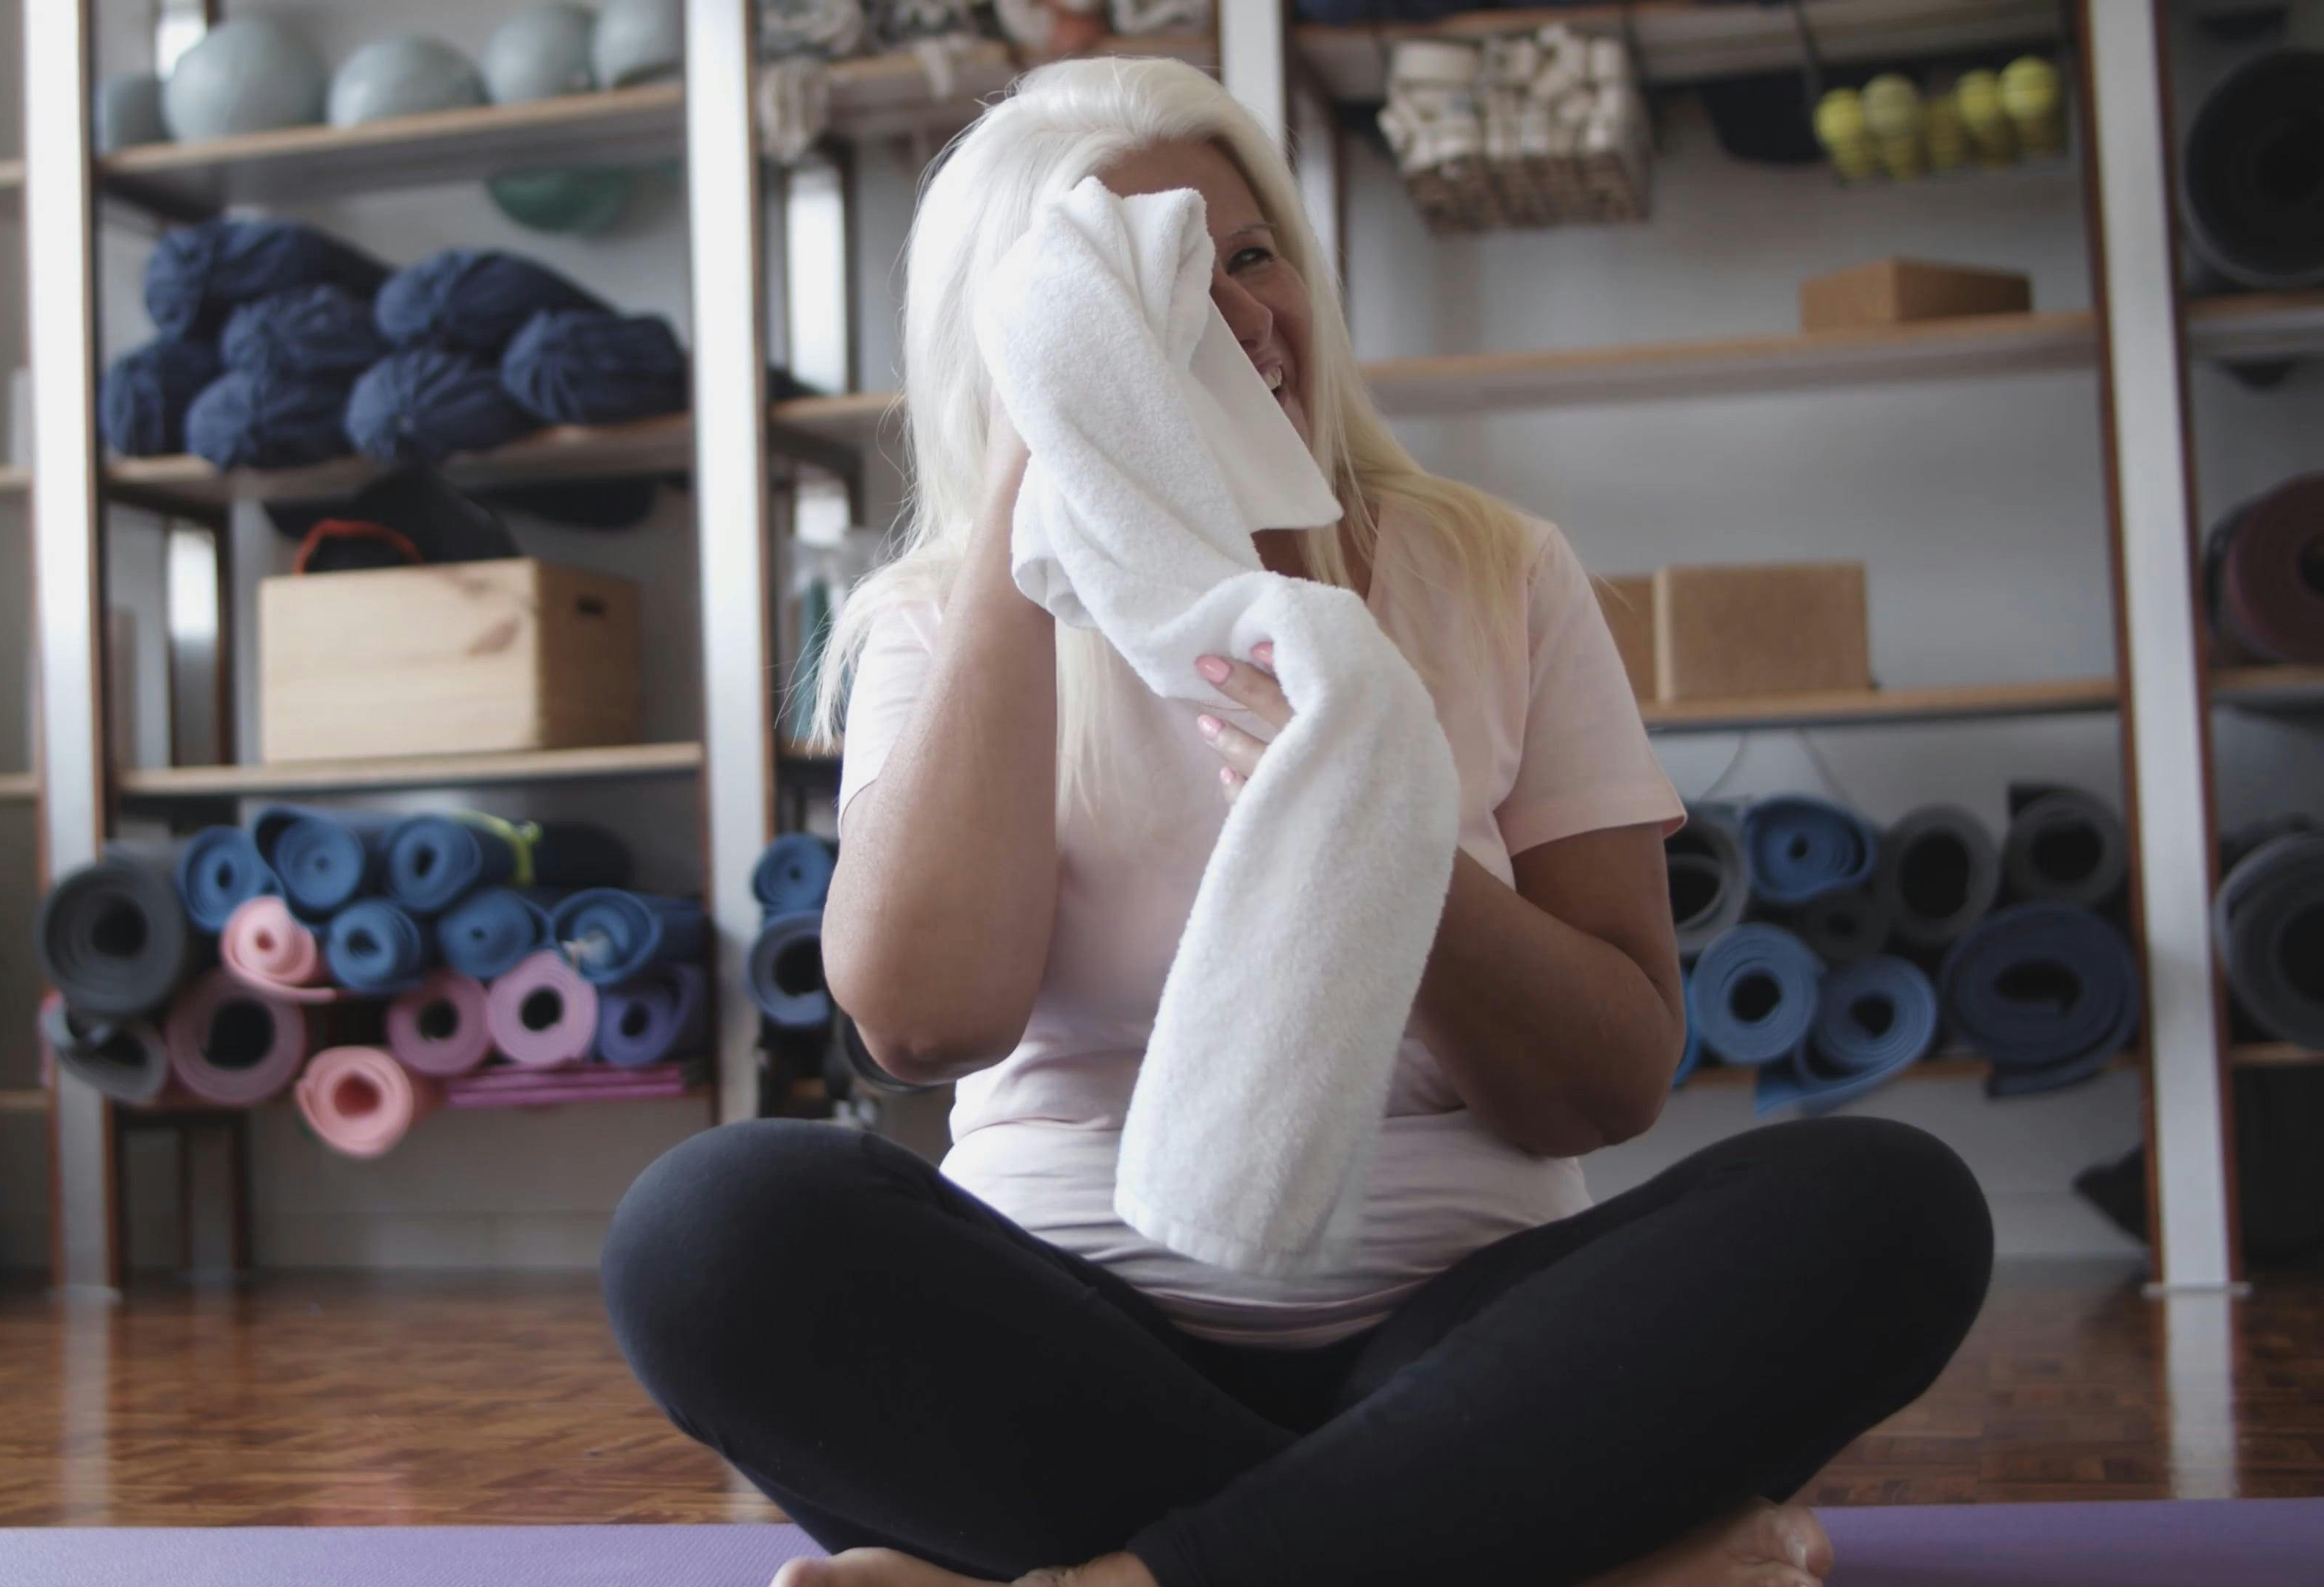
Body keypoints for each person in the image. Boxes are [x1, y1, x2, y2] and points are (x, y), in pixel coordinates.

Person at [605, 55, 1991, 1587]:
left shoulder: (1495, 569)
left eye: (1250, 255)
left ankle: (1148, 1575)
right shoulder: (936, 623)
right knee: (708, 1229)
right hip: (1070, 1346)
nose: (1239, 317)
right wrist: (1024, 497)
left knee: (1890, 1208)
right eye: (1151, 284)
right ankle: (1533, 1554)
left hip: (1468, 1347)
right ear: (1034, 337)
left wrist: (1368, 829)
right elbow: (924, 1027)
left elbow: (1600, 1087)